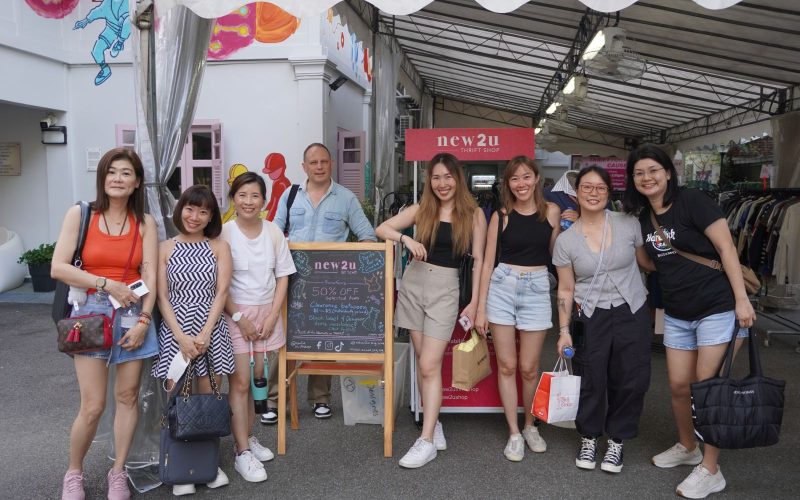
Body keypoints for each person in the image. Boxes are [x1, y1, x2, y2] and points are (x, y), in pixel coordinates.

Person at [623, 144, 756, 498]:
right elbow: (650, 262)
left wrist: (742, 300)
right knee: (680, 387)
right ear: (633, 181)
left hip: (718, 306)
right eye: (639, 173)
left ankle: (711, 469)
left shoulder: (693, 201)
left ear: (668, 172)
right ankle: (687, 446)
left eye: (653, 170)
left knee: (707, 389)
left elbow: (727, 249)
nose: (647, 177)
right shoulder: (641, 218)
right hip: (678, 313)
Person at [52, 147, 159, 500]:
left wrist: (145, 319)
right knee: (93, 404)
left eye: (126, 173)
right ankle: (74, 473)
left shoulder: (145, 222)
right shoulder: (80, 214)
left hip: (132, 313)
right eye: (112, 171)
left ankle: (118, 472)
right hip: (91, 313)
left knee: (127, 397)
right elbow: (59, 267)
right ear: (102, 177)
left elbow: (151, 276)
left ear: (136, 182)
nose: (117, 178)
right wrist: (105, 283)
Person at [376, 153, 487, 468]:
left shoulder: (474, 214)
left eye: (448, 177)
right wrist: (405, 241)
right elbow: (382, 228)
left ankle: (425, 441)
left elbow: (479, 262)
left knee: (428, 364)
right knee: (425, 365)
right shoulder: (421, 210)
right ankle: (433, 423)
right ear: (430, 181)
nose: (442, 184)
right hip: (412, 287)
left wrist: (476, 302)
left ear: (458, 179)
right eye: (436, 177)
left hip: (446, 291)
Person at [553, 166, 654, 474]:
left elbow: (646, 263)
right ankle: (589, 436)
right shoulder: (566, 241)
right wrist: (564, 330)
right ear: (577, 192)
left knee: (631, 378)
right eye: (587, 187)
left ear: (609, 192)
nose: (593, 193)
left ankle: (617, 440)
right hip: (591, 315)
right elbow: (566, 289)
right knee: (591, 376)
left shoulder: (629, 224)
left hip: (631, 309)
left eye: (600, 188)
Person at [271, 142, 376, 421]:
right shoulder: (290, 196)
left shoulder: (346, 198)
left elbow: (368, 236)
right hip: (290, 278)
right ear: (304, 167)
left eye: (324, 162)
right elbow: (273, 232)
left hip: (329, 282)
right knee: (282, 336)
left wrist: (352, 268)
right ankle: (276, 399)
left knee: (322, 336)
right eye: (313, 162)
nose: (319, 167)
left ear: (331, 164)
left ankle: (319, 399)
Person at [475, 156, 560, 462]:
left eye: (526, 177)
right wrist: (481, 308)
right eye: (514, 179)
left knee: (529, 368)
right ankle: (514, 431)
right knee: (507, 366)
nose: (521, 184)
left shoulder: (552, 212)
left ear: (537, 178)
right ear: (507, 184)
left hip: (537, 288)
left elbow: (557, 255)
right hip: (502, 285)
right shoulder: (502, 214)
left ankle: (530, 425)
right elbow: (486, 263)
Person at [151, 185, 234, 495]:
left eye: (203, 211)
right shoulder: (165, 247)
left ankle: (209, 465)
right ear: (180, 209)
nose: (195, 216)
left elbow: (221, 293)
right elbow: (162, 297)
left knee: (207, 402)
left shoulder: (219, 247)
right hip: (176, 333)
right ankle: (180, 465)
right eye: (190, 208)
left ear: (211, 216)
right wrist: (181, 337)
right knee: (176, 402)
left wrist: (204, 333)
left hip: (211, 333)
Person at [221, 172, 296, 481]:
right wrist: (240, 318)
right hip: (236, 316)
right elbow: (219, 285)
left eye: (254, 196)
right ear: (233, 199)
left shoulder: (274, 232)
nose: (248, 202)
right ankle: (241, 452)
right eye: (242, 195)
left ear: (264, 201)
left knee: (257, 381)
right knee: (239, 383)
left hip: (268, 316)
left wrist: (271, 315)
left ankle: (247, 435)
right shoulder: (223, 234)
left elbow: (283, 276)